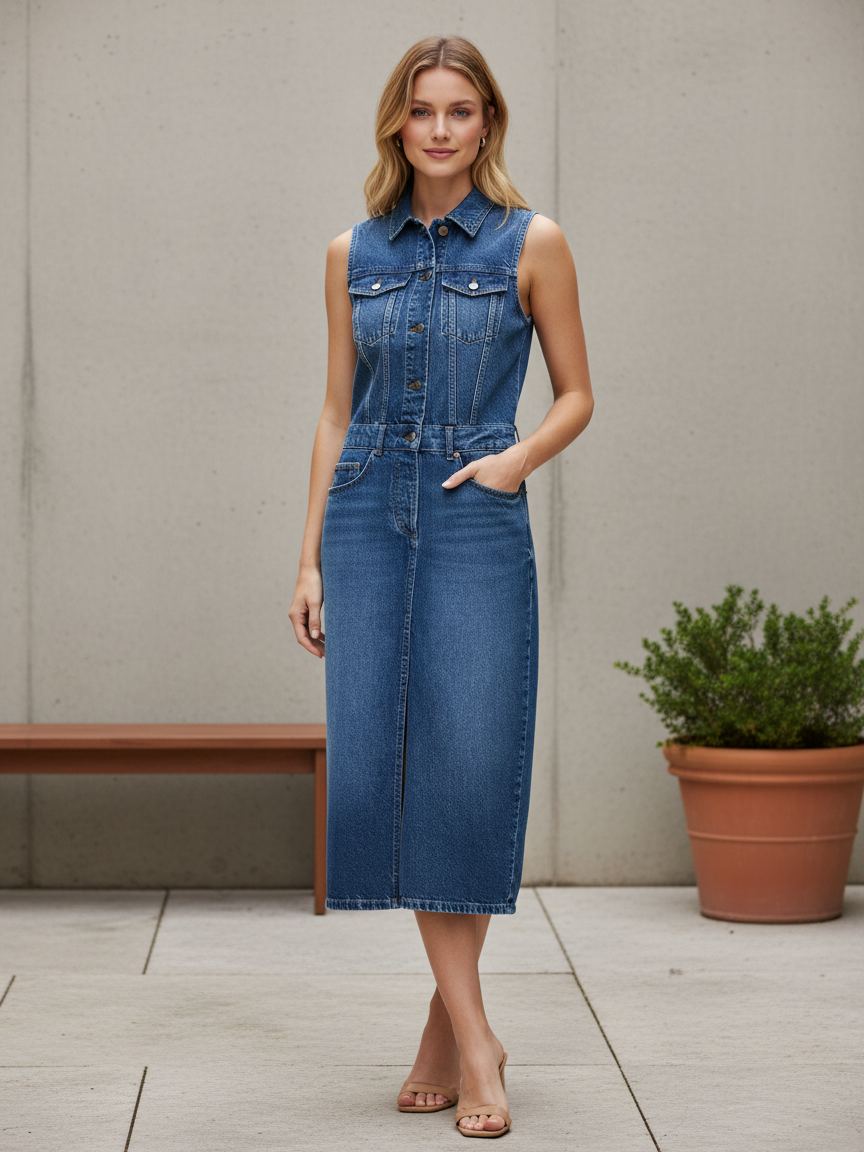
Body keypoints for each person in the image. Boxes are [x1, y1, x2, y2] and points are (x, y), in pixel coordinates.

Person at [290, 34, 593, 1138]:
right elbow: (334, 413)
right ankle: (468, 1034)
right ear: (396, 125)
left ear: (487, 124)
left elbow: (575, 392)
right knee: (387, 771)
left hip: (473, 512)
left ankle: (464, 1041)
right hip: (369, 513)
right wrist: (311, 554)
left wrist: (512, 463)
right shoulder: (350, 253)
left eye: (461, 112)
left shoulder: (533, 240)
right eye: (423, 111)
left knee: (465, 767)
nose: (441, 130)